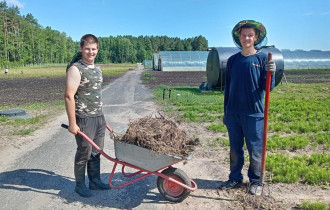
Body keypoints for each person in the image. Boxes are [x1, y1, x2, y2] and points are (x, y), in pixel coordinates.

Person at [220, 20, 276, 195]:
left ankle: (256, 181)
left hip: (254, 113)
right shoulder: (233, 60)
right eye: (244, 35)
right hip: (234, 113)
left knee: (255, 150)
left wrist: (271, 74)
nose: (247, 38)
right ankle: (235, 178)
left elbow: (268, 87)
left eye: (250, 35)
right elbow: (228, 87)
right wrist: (226, 111)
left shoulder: (262, 58)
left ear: (256, 37)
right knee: (235, 149)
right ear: (239, 37)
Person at [64, 34, 110, 197]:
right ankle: (80, 185)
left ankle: (95, 181)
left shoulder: (97, 68)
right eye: (87, 49)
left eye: (94, 49)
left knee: (97, 151)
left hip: (98, 116)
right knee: (84, 151)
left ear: (97, 49)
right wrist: (72, 123)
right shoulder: (76, 69)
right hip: (83, 117)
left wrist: (102, 118)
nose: (91, 52)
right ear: (81, 49)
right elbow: (69, 96)